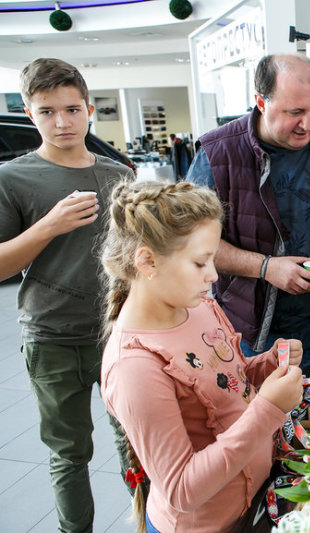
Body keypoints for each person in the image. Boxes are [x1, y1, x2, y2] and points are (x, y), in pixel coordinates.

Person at [100, 180, 304, 533]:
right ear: (147, 262)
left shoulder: (200, 306)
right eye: (199, 262)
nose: (213, 274)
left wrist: (266, 364)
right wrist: (268, 409)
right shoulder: (134, 368)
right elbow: (182, 489)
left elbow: (228, 380)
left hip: (253, 503)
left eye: (212, 259)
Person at [0, 58, 133, 533]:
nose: (62, 122)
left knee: (135, 444)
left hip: (119, 334)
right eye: (47, 111)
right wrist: (48, 226)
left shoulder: (118, 174)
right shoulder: (12, 178)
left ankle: (149, 523)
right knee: (70, 454)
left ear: (89, 110)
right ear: (30, 114)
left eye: (72, 109)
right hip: (52, 337)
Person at [187, 53, 310, 377]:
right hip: (253, 328)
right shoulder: (217, 154)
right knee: (264, 407)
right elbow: (191, 244)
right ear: (261, 101)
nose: (307, 124)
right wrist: (266, 267)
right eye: (295, 112)